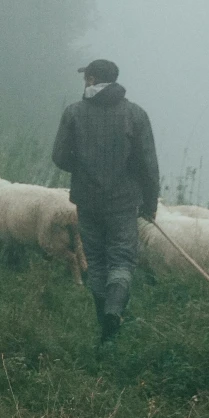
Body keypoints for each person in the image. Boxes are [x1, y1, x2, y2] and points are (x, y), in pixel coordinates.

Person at [50, 57, 159, 343]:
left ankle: (105, 325)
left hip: (87, 201)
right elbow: (148, 165)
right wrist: (150, 205)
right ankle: (114, 310)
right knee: (122, 258)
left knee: (96, 261)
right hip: (123, 203)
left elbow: (59, 157)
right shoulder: (135, 115)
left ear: (91, 79)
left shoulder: (74, 113)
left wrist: (84, 167)